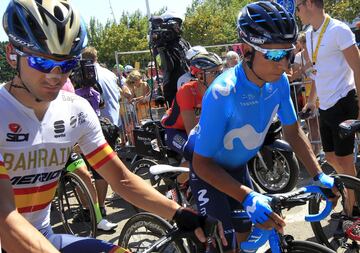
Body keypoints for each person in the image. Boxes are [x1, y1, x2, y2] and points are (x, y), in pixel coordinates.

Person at [0, 0, 224, 252]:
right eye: (41, 62)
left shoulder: (75, 109)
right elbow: (5, 220)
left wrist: (181, 214)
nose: (55, 75)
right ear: (12, 54)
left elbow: (122, 180)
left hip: (41, 236)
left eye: (66, 65)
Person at [190, 2, 340, 252]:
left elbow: (292, 131)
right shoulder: (222, 93)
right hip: (208, 168)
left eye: (289, 54)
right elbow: (202, 163)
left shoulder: (279, 82)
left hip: (236, 167)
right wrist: (247, 196)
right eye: (273, 56)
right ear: (247, 50)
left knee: (247, 237)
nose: (285, 65)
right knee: (222, 245)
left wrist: (318, 174)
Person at [296, 0, 360, 216]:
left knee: (345, 160)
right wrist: (312, 101)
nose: (297, 12)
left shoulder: (338, 30)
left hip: (344, 101)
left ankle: (352, 210)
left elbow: (358, 68)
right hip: (325, 106)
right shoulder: (309, 34)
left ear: (310, 4)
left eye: (298, 6)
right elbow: (317, 70)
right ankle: (352, 193)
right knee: (331, 158)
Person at [81, 46, 122, 220]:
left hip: (94, 127)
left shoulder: (85, 75)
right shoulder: (110, 74)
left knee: (87, 169)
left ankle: (93, 208)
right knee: (106, 167)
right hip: (112, 124)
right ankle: (103, 205)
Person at [161, 52, 223, 162]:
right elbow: (191, 131)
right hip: (176, 131)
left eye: (221, 71)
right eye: (215, 72)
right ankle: (180, 179)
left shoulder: (218, 91)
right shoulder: (187, 91)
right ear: (200, 76)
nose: (220, 76)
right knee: (197, 155)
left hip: (198, 129)